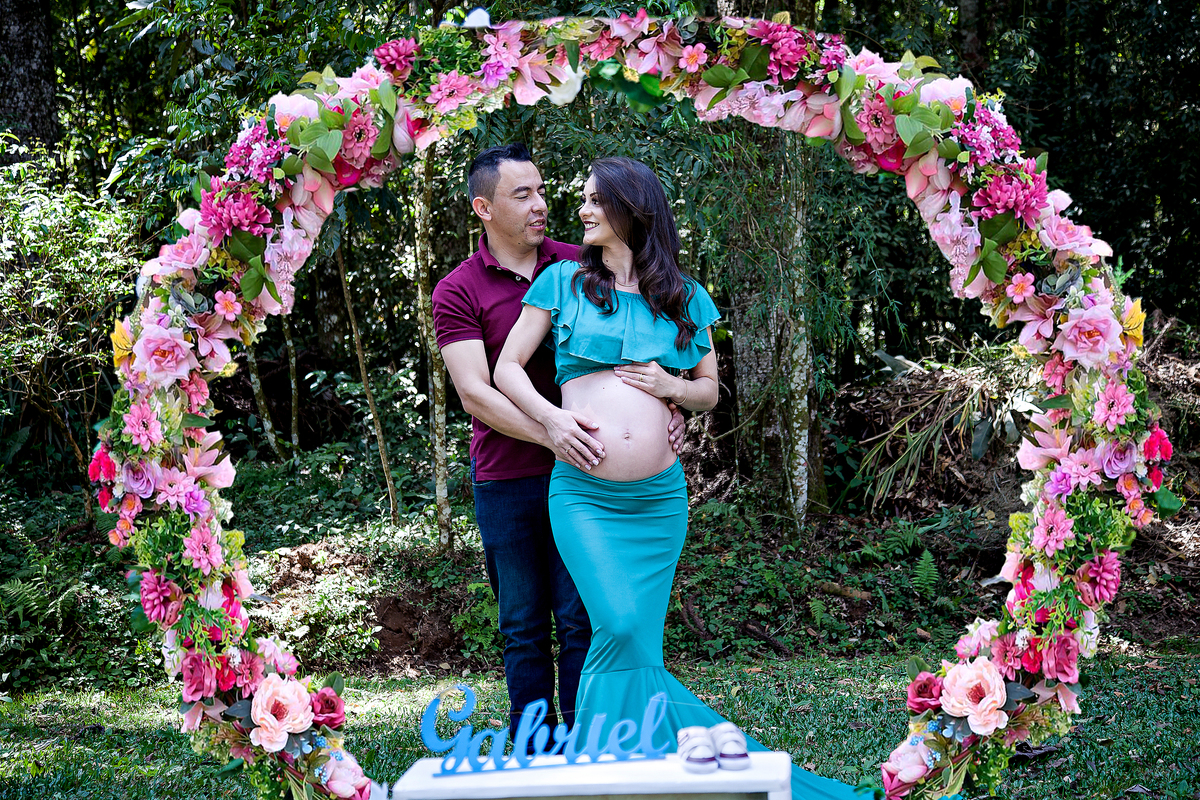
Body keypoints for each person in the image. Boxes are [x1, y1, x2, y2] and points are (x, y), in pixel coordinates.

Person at [494, 156, 859, 799]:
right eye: (584, 199)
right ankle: (634, 763)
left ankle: (627, 772)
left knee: (635, 643)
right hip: (583, 494)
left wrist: (671, 387)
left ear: (632, 210)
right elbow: (507, 369)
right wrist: (552, 421)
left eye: (595, 200)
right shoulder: (562, 282)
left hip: (658, 502)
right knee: (618, 628)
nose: (582, 210)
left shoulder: (684, 295)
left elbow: (710, 391)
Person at [430, 144, 685, 742]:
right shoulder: (458, 289)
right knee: (522, 623)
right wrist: (554, 432)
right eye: (522, 195)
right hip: (509, 474)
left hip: (594, 479)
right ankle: (535, 750)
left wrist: (670, 409)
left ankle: (588, 744)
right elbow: (475, 393)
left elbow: (642, 344)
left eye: (542, 191)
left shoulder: (581, 264)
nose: (541, 205)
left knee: (582, 621)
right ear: (483, 208)